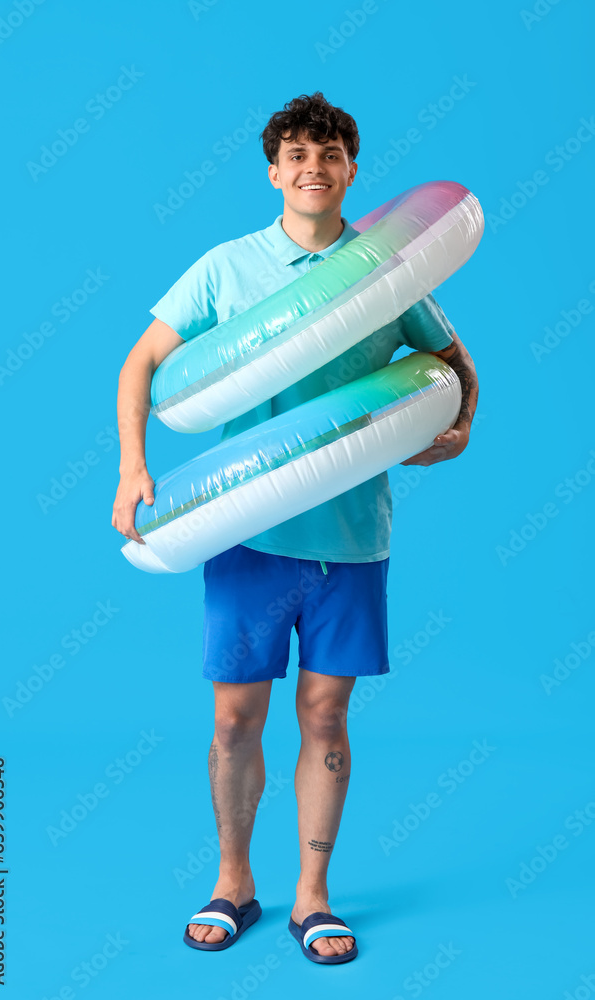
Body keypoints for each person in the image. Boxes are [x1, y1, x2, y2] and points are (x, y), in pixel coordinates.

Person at [112, 92, 478, 964]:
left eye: (331, 153)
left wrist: (459, 428)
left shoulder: (388, 268)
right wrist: (134, 465)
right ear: (275, 171)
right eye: (297, 154)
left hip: (352, 537)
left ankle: (314, 897)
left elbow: (454, 362)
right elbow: (143, 363)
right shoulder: (227, 268)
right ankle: (233, 881)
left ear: (352, 170)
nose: (313, 166)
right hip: (248, 535)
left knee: (326, 716)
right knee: (236, 719)